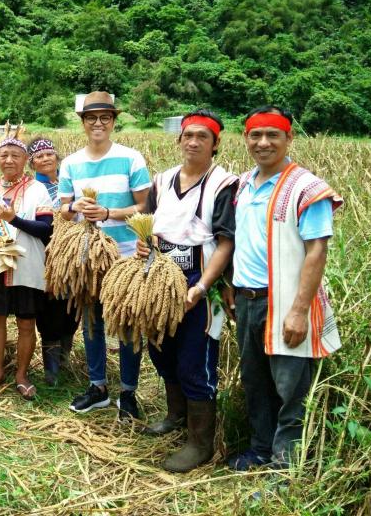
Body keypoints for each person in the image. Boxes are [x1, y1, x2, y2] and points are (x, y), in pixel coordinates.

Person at [226, 106, 342, 471]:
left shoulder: (306, 188)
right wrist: (231, 286)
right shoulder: (243, 184)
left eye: (273, 135)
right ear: (246, 139)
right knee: (256, 383)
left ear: (289, 138)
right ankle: (261, 451)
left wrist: (298, 310)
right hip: (247, 301)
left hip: (286, 304)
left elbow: (316, 250)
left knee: (290, 390)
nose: (263, 142)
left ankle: (286, 467)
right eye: (255, 135)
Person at [137, 110, 238, 472]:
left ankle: (200, 442)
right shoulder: (162, 181)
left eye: (202, 137)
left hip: (200, 281)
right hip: (160, 280)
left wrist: (203, 285)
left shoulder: (224, 184)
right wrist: (144, 246)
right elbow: (149, 228)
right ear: (179, 140)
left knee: (195, 362)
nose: (193, 142)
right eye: (188, 136)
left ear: (215, 144)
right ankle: (176, 415)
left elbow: (226, 242)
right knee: (161, 351)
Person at [59, 91, 151, 419]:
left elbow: (145, 206)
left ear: (113, 122)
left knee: (127, 323)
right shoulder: (70, 163)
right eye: (91, 118)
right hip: (88, 255)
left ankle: (128, 393)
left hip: (126, 253)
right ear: (83, 123)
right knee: (92, 322)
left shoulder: (131, 158)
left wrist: (109, 212)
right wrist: (75, 207)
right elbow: (64, 211)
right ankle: (97, 387)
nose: (98, 124)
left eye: (105, 118)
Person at [0, 127, 54, 400]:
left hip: (26, 265)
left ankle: (21, 374)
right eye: (4, 155)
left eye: (15, 155)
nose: (9, 160)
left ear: (25, 160)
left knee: (26, 322)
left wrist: (14, 219)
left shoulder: (37, 189)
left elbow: (45, 229)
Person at [27, 137, 79, 385]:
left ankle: (64, 356)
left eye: (49, 154)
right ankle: (52, 369)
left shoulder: (71, 183)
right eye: (39, 156)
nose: (45, 159)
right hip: (46, 257)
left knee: (73, 307)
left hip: (74, 256)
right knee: (50, 309)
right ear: (32, 163)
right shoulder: (32, 189)